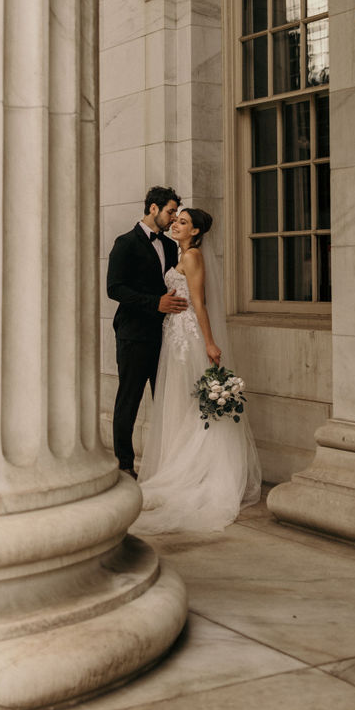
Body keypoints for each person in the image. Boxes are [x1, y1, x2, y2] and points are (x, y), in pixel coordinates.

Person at [132, 206, 261, 533]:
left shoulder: (193, 258)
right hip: (174, 336)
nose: (176, 223)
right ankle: (179, 465)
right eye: (176, 219)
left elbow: (200, 303)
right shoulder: (182, 255)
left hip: (189, 338)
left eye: (183, 222)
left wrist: (209, 343)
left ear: (196, 232)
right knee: (179, 402)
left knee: (196, 406)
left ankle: (199, 471)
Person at [106, 186, 187, 476]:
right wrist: (156, 303)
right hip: (134, 334)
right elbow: (114, 288)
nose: (173, 217)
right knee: (129, 398)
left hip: (165, 334)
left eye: (176, 212)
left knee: (165, 399)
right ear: (153, 208)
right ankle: (124, 464)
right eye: (169, 211)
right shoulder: (125, 242)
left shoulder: (168, 245)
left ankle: (167, 463)